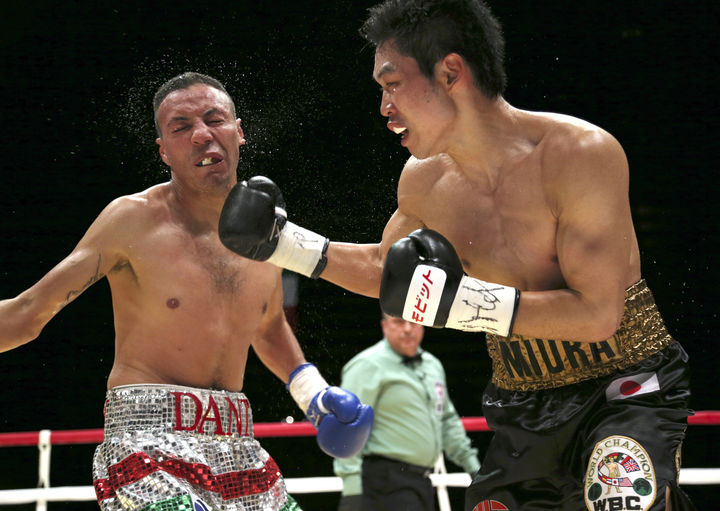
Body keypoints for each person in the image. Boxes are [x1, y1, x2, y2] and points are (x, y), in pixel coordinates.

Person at [217, 1, 697, 510]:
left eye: (392, 83)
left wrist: (461, 303)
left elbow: (599, 314)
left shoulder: (579, 154)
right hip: (522, 401)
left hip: (622, 388)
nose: (384, 106)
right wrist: (282, 244)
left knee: (618, 496)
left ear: (450, 73)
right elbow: (385, 268)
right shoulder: (425, 182)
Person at [0, 71, 374, 511]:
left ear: (239, 132)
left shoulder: (268, 234)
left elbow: (268, 324)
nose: (201, 134)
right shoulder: (132, 221)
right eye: (181, 127)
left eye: (214, 119)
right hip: (147, 440)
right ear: (164, 152)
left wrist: (312, 394)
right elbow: (29, 312)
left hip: (238, 445)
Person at [333, 313, 481, 511]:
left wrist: (474, 468)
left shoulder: (433, 365)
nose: (408, 328)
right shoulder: (367, 365)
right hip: (381, 482)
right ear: (384, 326)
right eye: (398, 322)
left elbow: (447, 420)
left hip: (421, 482)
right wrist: (353, 491)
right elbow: (346, 428)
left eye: (414, 321)